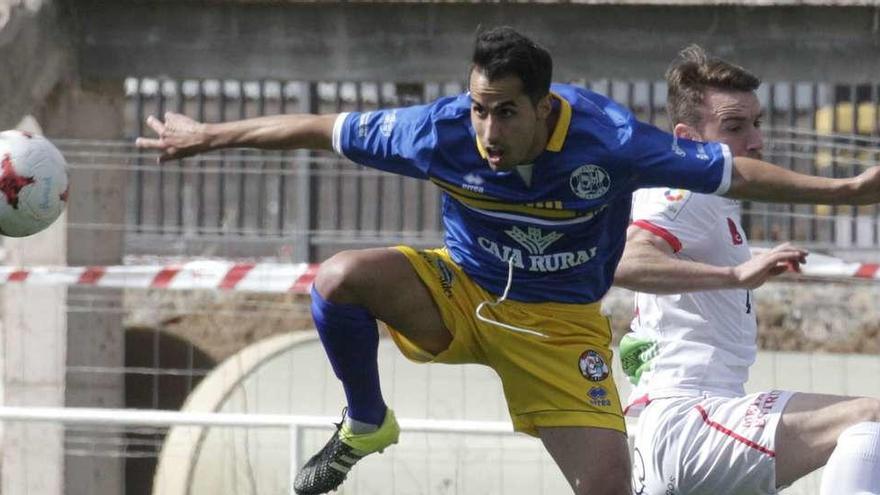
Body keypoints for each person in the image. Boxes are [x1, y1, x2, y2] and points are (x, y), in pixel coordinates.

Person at [137, 27, 880, 495]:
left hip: (559, 333)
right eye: (478, 108)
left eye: (505, 111)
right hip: (463, 290)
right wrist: (210, 136)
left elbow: (734, 172)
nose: (487, 129)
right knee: (339, 279)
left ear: (545, 105)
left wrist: (847, 191)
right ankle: (366, 421)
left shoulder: (609, 140)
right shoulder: (437, 133)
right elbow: (317, 128)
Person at [614, 45, 880, 495]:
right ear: (689, 138)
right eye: (735, 127)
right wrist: (736, 276)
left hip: (681, 428)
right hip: (688, 421)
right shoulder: (683, 190)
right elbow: (625, 261)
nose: (755, 140)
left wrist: (745, 264)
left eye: (757, 123)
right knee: (868, 420)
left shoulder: (710, 204)